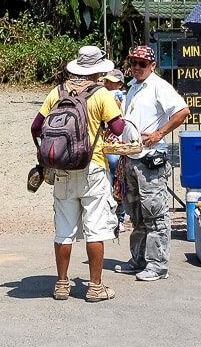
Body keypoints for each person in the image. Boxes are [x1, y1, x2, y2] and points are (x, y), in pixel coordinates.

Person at [31, 44, 126, 302]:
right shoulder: (102, 94)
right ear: (98, 71)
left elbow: (36, 127)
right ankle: (95, 287)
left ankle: (61, 284)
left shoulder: (58, 92)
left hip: (62, 170)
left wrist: (51, 155)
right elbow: (118, 129)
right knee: (95, 228)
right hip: (92, 167)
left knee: (64, 229)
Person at [120, 43, 190, 282]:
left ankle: (158, 265)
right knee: (136, 212)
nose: (136, 67)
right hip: (131, 157)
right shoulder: (132, 87)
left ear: (152, 65)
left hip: (150, 159)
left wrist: (160, 133)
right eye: (133, 63)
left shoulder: (159, 86)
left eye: (141, 63)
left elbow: (182, 111)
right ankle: (139, 259)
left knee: (155, 212)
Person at [104, 68, 128, 233]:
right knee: (120, 182)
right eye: (106, 80)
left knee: (112, 181)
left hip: (113, 144)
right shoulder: (127, 97)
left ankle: (114, 218)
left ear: (119, 83)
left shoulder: (113, 96)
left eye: (110, 81)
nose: (106, 83)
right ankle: (118, 219)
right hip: (119, 144)